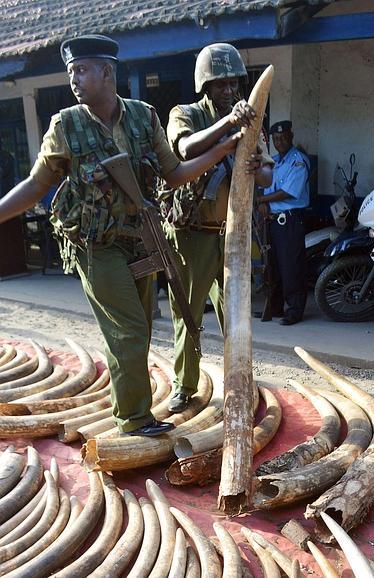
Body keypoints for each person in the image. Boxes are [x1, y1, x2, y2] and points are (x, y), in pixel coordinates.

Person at [0, 34, 242, 437]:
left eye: (81, 70)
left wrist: (222, 149)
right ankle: (133, 419)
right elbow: (36, 184)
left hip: (141, 239)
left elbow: (174, 173)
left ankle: (133, 407)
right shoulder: (66, 125)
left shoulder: (143, 117)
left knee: (141, 329)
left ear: (107, 72)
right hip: (96, 247)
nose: (74, 79)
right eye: (70, 72)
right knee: (128, 329)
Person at [165, 42, 273, 413]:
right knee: (188, 313)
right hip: (192, 234)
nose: (228, 91)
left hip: (233, 235)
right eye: (220, 84)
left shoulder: (252, 117)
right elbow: (184, 149)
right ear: (205, 86)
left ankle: (239, 384)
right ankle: (184, 385)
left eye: (233, 84)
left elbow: (269, 175)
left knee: (236, 316)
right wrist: (228, 125)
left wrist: (257, 163)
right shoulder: (186, 113)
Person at [255, 120, 310, 325]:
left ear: (291, 136)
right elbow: (265, 186)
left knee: (291, 268)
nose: (280, 141)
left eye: (284, 137)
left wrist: (262, 201)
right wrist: (263, 205)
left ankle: (294, 311)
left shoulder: (298, 161)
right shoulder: (275, 161)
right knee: (274, 268)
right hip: (272, 221)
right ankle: (276, 307)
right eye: (276, 139)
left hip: (290, 221)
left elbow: (288, 191)